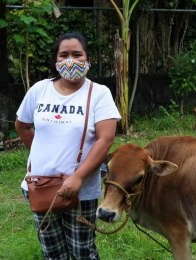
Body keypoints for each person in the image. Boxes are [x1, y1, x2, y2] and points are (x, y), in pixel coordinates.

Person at [15, 32, 121, 259]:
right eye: (64, 55)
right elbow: (22, 125)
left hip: (81, 191)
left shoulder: (99, 94)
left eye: (77, 54)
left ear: (87, 59)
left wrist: (78, 177)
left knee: (83, 252)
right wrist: (42, 155)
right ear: (56, 60)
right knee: (52, 252)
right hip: (40, 188)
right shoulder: (39, 90)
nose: (70, 60)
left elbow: (106, 139)